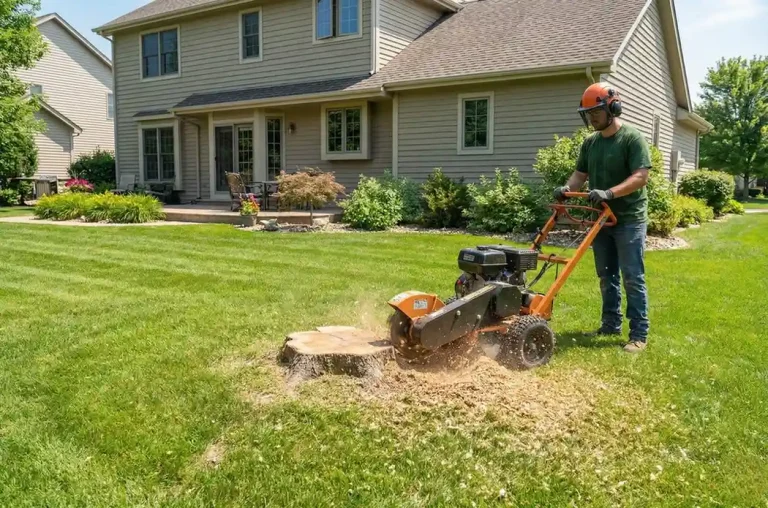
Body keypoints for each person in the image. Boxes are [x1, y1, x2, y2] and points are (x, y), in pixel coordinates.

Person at [553, 83, 652, 353]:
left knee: (632, 276)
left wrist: (610, 192)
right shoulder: (590, 143)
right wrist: (567, 189)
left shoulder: (632, 138)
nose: (591, 118)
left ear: (613, 108)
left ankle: (639, 334)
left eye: (596, 111)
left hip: (629, 219)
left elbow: (641, 177)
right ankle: (610, 325)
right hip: (602, 219)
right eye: (587, 113)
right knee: (606, 275)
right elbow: (579, 176)